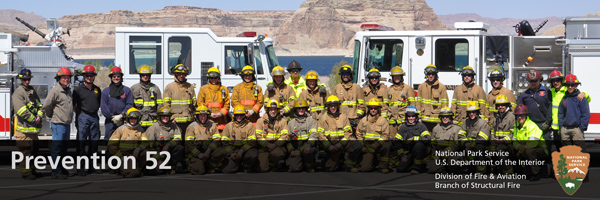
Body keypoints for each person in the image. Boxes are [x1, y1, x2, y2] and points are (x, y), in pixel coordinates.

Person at [43, 67, 74, 179]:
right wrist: (51, 116)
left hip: (66, 124)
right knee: (57, 147)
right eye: (64, 77)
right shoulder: (55, 91)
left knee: (64, 148)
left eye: (68, 77)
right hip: (58, 123)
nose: (66, 79)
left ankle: (61, 168)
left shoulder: (68, 91)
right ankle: (56, 171)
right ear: (59, 79)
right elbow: (47, 105)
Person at [317, 95, 362, 172]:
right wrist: (329, 147)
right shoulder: (323, 118)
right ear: (328, 106)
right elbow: (321, 135)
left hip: (342, 144)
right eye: (331, 106)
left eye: (335, 105)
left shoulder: (343, 117)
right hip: (330, 147)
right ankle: (337, 160)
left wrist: (340, 144)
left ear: (338, 106)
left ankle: (348, 165)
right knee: (330, 168)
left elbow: (348, 133)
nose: (333, 108)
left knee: (356, 145)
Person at [12, 68, 43, 180]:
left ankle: (33, 171)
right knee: (25, 152)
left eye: (29, 79)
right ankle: (26, 173)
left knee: (34, 152)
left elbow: (40, 105)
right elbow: (21, 111)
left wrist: (39, 116)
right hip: (24, 130)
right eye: (25, 79)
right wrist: (34, 119)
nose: (27, 81)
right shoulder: (18, 93)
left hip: (33, 131)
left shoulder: (32, 91)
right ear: (21, 79)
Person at [548, 70, 589, 151]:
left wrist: (584, 94)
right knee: (563, 151)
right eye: (554, 81)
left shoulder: (568, 93)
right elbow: (559, 112)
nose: (556, 83)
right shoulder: (551, 92)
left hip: (573, 128)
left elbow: (586, 109)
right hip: (559, 128)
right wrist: (560, 127)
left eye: (558, 80)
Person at [73, 65, 102, 176]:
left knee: (94, 143)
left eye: (91, 75)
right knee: (81, 143)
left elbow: (99, 103)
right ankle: (80, 168)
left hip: (94, 117)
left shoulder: (97, 89)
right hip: (83, 116)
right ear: (83, 76)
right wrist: (80, 114)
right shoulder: (78, 90)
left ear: (94, 76)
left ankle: (92, 167)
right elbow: (73, 105)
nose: (89, 77)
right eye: (87, 75)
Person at [517, 70, 552, 154]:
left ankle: (547, 165)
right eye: (531, 81)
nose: (533, 83)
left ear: (540, 80)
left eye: (535, 81)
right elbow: (519, 110)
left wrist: (548, 122)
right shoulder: (524, 94)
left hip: (544, 124)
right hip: (530, 125)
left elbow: (551, 108)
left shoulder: (547, 92)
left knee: (546, 148)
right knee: (532, 148)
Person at [107, 108, 149, 178]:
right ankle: (133, 170)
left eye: (135, 118)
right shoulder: (121, 129)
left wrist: (138, 149)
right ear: (127, 118)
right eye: (131, 118)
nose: (133, 120)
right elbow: (111, 145)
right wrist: (120, 157)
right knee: (133, 174)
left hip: (135, 156)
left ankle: (138, 168)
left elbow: (146, 142)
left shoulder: (140, 130)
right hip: (124, 157)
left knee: (147, 152)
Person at [217, 105, 258, 173]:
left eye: (241, 115)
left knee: (253, 155)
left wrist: (242, 151)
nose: (239, 117)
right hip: (233, 152)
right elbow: (224, 142)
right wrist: (231, 153)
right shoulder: (229, 126)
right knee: (226, 170)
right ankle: (236, 164)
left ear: (244, 115)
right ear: (234, 115)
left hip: (245, 152)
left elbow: (252, 142)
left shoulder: (249, 125)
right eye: (237, 115)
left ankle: (246, 166)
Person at [144, 107, 184, 175]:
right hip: (156, 153)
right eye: (163, 116)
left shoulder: (174, 126)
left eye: (167, 116)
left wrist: (168, 145)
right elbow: (149, 147)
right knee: (156, 172)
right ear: (159, 117)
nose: (165, 117)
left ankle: (171, 168)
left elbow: (178, 138)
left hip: (168, 151)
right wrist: (158, 159)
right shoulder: (153, 128)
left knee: (179, 148)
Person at [513, 104, 547, 181]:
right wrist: (519, 147)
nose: (519, 117)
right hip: (525, 150)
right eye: (517, 115)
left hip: (540, 149)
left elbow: (533, 143)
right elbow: (514, 141)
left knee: (529, 152)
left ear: (526, 115)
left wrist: (522, 149)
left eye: (522, 115)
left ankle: (536, 174)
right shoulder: (516, 126)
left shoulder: (531, 126)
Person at [356, 98, 391, 173]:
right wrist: (362, 145)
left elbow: (386, 135)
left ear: (378, 109)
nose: (373, 110)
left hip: (379, 145)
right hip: (368, 147)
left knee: (387, 145)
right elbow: (358, 133)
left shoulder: (383, 120)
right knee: (364, 169)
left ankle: (383, 166)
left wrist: (377, 144)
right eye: (371, 108)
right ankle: (373, 162)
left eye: (375, 108)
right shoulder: (363, 120)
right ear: (368, 109)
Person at [394, 105, 430, 174]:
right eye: (409, 116)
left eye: (413, 116)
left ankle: (417, 168)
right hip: (409, 152)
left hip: (421, 151)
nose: (411, 118)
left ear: (416, 116)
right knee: (400, 169)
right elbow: (397, 141)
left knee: (418, 145)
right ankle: (420, 166)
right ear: (406, 117)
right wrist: (402, 155)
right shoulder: (403, 127)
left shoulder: (421, 126)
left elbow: (427, 138)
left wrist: (414, 138)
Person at [558, 74, 590, 152]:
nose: (570, 87)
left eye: (572, 85)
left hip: (577, 129)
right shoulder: (564, 99)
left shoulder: (581, 98)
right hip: (565, 129)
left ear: (576, 85)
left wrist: (581, 128)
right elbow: (560, 114)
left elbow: (586, 114)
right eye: (568, 85)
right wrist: (561, 127)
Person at [458, 101, 491, 174]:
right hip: (469, 146)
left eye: (473, 112)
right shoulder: (465, 122)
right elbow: (460, 136)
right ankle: (466, 167)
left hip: (480, 145)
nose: (471, 114)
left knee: (478, 148)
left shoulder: (483, 123)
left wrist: (472, 145)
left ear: (477, 112)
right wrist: (466, 144)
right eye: (469, 112)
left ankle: (482, 171)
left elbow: (483, 139)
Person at [286, 98, 318, 173]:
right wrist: (291, 150)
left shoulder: (311, 121)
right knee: (294, 168)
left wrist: (308, 146)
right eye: (299, 108)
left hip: (307, 147)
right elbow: (287, 140)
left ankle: (309, 165)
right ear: (296, 109)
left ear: (305, 109)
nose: (301, 110)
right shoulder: (291, 123)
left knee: (311, 151)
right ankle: (298, 162)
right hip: (296, 149)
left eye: (303, 108)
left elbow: (314, 135)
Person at [185, 105, 220, 175]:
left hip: (208, 151)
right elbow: (189, 144)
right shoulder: (192, 126)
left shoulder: (212, 125)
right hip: (196, 153)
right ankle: (192, 166)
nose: (203, 117)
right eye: (201, 115)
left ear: (207, 116)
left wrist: (208, 151)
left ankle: (209, 166)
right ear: (197, 116)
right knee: (199, 171)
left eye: (205, 115)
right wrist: (199, 154)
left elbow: (217, 140)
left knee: (221, 151)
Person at [256, 99, 289, 172]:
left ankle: (273, 164)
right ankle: (267, 162)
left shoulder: (282, 121)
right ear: (267, 110)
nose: (273, 111)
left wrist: (275, 144)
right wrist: (267, 144)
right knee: (263, 169)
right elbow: (258, 136)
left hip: (276, 147)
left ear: (278, 110)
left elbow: (285, 135)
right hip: (264, 147)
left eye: (275, 109)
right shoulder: (260, 121)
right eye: (271, 109)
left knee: (278, 153)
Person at [101, 66, 133, 141]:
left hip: (123, 121)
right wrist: (113, 118)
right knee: (109, 141)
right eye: (114, 76)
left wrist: (121, 116)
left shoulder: (127, 90)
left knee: (124, 140)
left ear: (121, 77)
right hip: (110, 121)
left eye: (118, 76)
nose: (116, 78)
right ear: (111, 78)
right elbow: (104, 106)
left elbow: (130, 104)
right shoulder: (106, 91)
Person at [428, 107, 463, 174]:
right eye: (443, 116)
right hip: (440, 153)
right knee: (432, 169)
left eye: (447, 116)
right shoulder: (436, 129)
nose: (445, 118)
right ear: (440, 117)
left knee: (453, 166)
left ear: (450, 117)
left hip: (452, 153)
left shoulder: (457, 129)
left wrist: (446, 151)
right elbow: (433, 145)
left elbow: (457, 145)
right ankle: (443, 167)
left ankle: (450, 166)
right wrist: (435, 156)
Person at [332, 65, 366, 132]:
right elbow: (332, 105)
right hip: (340, 120)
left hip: (354, 121)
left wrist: (357, 117)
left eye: (347, 74)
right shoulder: (336, 88)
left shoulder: (357, 88)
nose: (345, 76)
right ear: (341, 75)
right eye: (343, 74)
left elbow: (362, 105)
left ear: (350, 75)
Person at [163, 64, 196, 132]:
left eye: (183, 74)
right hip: (176, 122)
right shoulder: (170, 87)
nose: (181, 76)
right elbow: (166, 105)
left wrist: (195, 117)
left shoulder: (190, 87)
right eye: (179, 74)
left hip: (189, 121)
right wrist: (171, 118)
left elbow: (194, 104)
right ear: (176, 74)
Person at [416, 64, 448, 131]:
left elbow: (445, 104)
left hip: (437, 120)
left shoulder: (441, 87)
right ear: (426, 75)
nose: (430, 76)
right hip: (424, 120)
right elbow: (418, 103)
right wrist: (418, 117)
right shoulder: (421, 87)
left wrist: (444, 117)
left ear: (436, 75)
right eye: (429, 74)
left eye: (432, 74)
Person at [385, 66, 416, 137]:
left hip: (403, 121)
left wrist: (410, 119)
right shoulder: (388, 90)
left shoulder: (407, 89)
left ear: (402, 77)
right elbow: (385, 106)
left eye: (398, 76)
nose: (397, 78)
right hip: (391, 122)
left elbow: (412, 105)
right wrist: (384, 120)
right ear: (392, 77)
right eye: (395, 76)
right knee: (392, 141)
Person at [197, 67, 230, 132]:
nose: (213, 80)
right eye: (211, 78)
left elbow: (227, 104)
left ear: (218, 78)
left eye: (216, 78)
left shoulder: (224, 89)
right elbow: (200, 104)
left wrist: (221, 113)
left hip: (221, 123)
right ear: (208, 78)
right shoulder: (203, 89)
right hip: (208, 122)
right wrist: (208, 114)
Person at [130, 64, 163, 130]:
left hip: (152, 122)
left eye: (147, 75)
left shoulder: (155, 88)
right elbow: (130, 106)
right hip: (139, 122)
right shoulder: (134, 88)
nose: (145, 76)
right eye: (143, 75)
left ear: (150, 76)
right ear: (140, 75)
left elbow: (160, 105)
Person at [490, 95, 515, 174]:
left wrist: (504, 140)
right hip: (497, 142)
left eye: (502, 105)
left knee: (499, 150)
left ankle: (508, 170)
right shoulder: (496, 117)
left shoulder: (512, 116)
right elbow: (492, 130)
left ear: (507, 105)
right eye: (498, 105)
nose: (500, 107)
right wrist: (493, 140)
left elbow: (514, 133)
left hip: (509, 144)